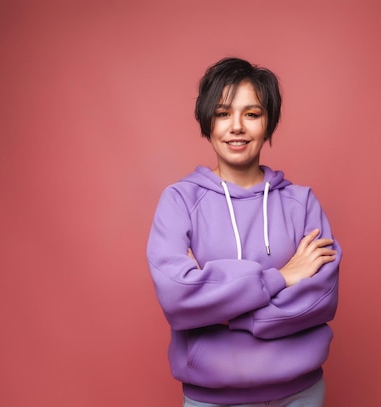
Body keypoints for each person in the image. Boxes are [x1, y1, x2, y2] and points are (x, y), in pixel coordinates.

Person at [147, 57, 342, 407]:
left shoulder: (302, 203)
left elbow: (319, 299)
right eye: (223, 114)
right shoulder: (179, 201)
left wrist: (221, 308)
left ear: (268, 124)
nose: (236, 126)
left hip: (300, 395)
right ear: (207, 122)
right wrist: (280, 278)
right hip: (212, 400)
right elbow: (177, 296)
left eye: (251, 114)